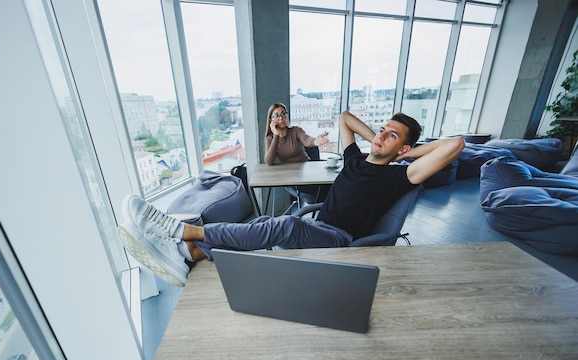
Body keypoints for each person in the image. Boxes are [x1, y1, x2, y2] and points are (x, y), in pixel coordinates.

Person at [117, 111, 465, 287]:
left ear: (404, 147)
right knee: (267, 224)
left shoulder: (399, 176)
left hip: (340, 240)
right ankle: (189, 253)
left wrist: (404, 154)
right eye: (382, 129)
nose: (382, 137)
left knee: (283, 224)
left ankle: (184, 232)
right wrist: (382, 138)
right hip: (320, 225)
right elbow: (344, 117)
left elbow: (455, 145)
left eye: (393, 136)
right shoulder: (355, 159)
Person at [264, 102, 331, 205]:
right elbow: (268, 161)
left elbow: (307, 140)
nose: (281, 118)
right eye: (276, 116)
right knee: (320, 194)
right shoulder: (270, 139)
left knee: (331, 187)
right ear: (271, 120)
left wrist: (315, 141)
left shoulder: (296, 130)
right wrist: (276, 135)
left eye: (283, 114)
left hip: (308, 171)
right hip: (291, 178)